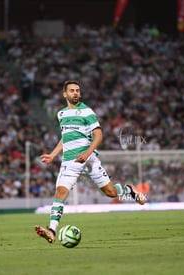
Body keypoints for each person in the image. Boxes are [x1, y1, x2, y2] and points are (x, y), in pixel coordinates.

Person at [35, 80, 146, 244]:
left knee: (110, 193)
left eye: (78, 91)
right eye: (72, 90)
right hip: (69, 162)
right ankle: (51, 230)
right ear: (64, 94)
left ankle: (128, 190)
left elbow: (99, 136)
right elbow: (65, 138)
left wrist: (86, 154)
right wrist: (52, 155)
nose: (75, 93)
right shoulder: (61, 114)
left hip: (89, 160)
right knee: (60, 192)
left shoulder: (87, 112)